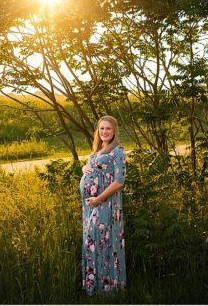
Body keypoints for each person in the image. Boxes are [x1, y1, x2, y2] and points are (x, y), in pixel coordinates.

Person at [79, 115, 128, 294]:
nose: (104, 132)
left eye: (108, 128)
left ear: (114, 131)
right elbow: (91, 166)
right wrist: (84, 169)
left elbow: (119, 182)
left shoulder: (118, 152)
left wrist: (99, 198)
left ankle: (108, 288)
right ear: (97, 132)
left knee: (102, 241)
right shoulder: (99, 149)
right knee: (93, 241)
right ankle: (96, 285)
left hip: (105, 204)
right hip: (91, 205)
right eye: (101, 129)